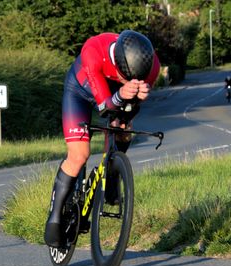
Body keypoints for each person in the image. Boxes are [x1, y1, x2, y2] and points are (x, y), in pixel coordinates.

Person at [44, 30, 161, 248]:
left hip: (119, 93)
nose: (134, 81)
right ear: (118, 66)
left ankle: (113, 172)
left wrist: (139, 97)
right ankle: (55, 215)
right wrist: (122, 94)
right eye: (127, 78)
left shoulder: (152, 65)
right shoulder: (94, 52)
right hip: (80, 92)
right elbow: (104, 108)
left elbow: (127, 108)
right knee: (80, 155)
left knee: (123, 128)